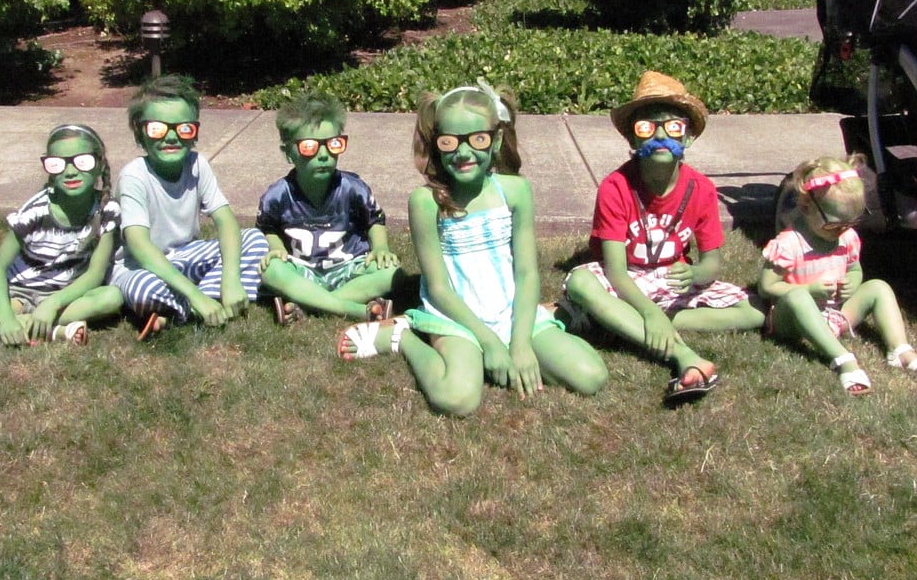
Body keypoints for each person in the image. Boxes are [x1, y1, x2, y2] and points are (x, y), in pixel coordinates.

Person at [336, 81, 607, 416]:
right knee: (458, 399)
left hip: (509, 311)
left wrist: (519, 344)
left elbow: (525, 272)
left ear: (494, 141)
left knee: (591, 376)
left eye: (477, 139)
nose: (463, 153)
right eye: (450, 142)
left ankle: (548, 321)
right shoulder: (425, 202)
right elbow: (437, 287)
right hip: (456, 317)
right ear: (437, 144)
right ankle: (402, 336)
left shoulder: (516, 191)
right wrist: (489, 342)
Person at [559, 71, 764, 405]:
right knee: (581, 283)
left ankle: (621, 322)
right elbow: (614, 270)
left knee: (755, 309)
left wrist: (696, 274)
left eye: (673, 127)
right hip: (626, 279)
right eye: (646, 128)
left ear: (688, 137)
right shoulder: (616, 187)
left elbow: (711, 261)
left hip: (670, 281)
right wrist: (650, 312)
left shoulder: (702, 189)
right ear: (632, 139)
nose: (659, 136)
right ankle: (683, 356)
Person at [110, 74, 269, 338]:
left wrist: (230, 278)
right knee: (142, 289)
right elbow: (139, 245)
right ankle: (200, 301)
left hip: (186, 255)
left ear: (194, 131)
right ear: (140, 132)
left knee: (254, 239)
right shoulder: (134, 176)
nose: (171, 137)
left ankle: (190, 305)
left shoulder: (197, 164)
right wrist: (194, 294)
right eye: (157, 129)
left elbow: (226, 220)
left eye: (183, 128)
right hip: (142, 266)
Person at [0, 124, 122, 347]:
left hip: (66, 298)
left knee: (112, 297)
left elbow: (95, 274)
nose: (71, 171)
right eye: (58, 164)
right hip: (18, 293)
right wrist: (6, 318)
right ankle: (52, 331)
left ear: (100, 164)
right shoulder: (34, 212)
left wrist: (53, 303)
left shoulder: (107, 209)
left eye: (82, 161)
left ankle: (3, 330)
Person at [759, 154, 916, 395]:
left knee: (879, 287)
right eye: (834, 225)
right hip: (793, 320)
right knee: (798, 297)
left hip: (835, 312)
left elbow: (854, 268)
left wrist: (853, 282)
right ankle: (843, 359)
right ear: (805, 207)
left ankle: (900, 350)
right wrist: (809, 290)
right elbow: (766, 287)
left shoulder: (846, 238)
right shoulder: (790, 244)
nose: (842, 230)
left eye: (850, 223)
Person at [256, 91, 401, 324]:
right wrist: (275, 248)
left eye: (333, 144)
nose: (323, 155)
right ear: (288, 154)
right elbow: (267, 228)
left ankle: (307, 304)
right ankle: (354, 309)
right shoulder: (277, 195)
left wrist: (381, 248)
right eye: (309, 147)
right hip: (303, 271)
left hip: (349, 268)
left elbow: (375, 221)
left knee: (392, 272)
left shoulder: (354, 188)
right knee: (271, 270)